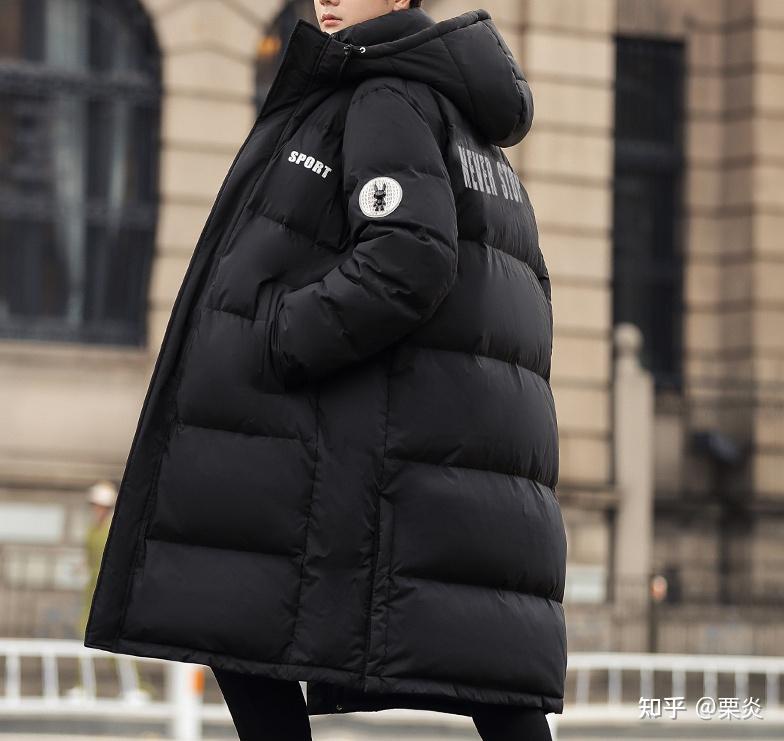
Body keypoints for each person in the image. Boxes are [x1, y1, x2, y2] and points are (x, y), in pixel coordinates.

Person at [84, 1, 566, 740]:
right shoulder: (457, 118)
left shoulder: (384, 95)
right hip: (435, 450)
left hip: (340, 444)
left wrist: (280, 333)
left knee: (238, 621)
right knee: (480, 672)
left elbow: (409, 257)